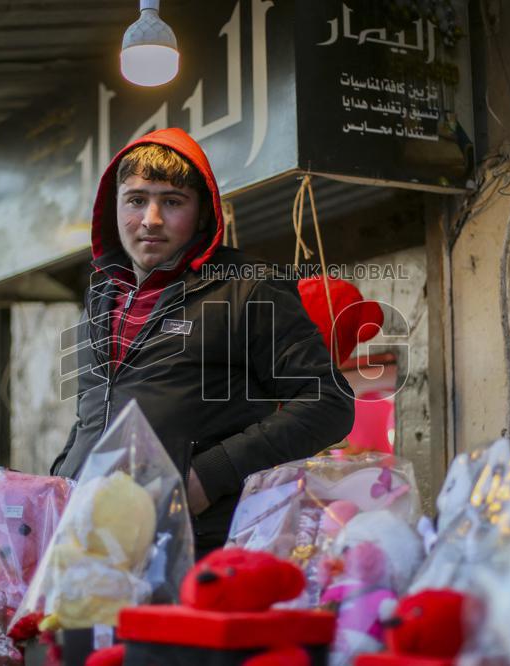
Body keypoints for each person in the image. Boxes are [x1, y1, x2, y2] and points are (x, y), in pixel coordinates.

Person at [51, 128, 355, 557]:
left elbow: (328, 402)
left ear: (202, 213)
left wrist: (209, 476)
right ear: (112, 208)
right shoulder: (102, 295)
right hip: (90, 545)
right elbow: (94, 414)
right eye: (136, 200)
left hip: (198, 545)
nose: (151, 219)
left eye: (172, 201)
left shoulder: (247, 286)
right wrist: (59, 481)